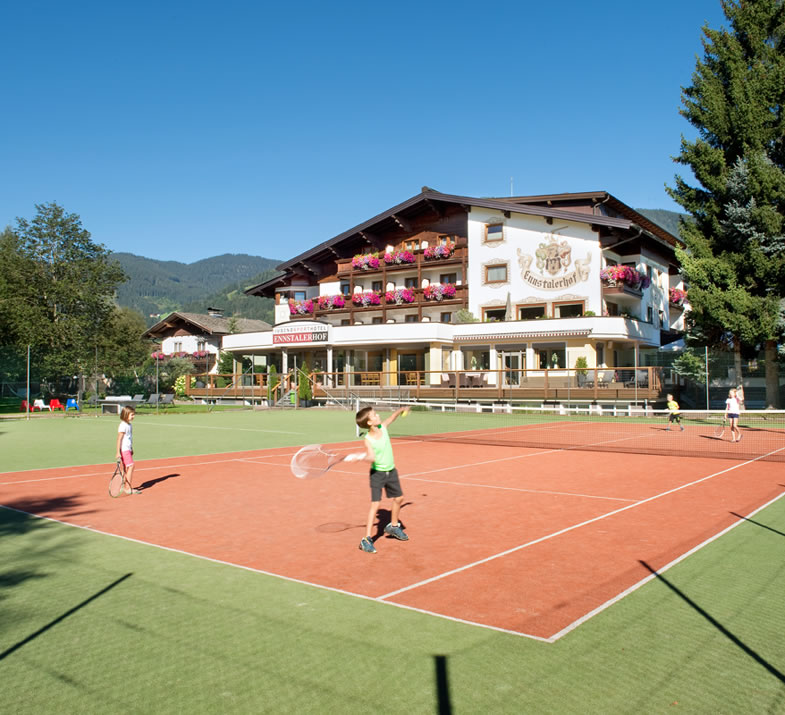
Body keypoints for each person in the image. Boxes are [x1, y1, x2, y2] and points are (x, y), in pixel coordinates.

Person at [346, 405, 410, 554]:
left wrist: (400, 410)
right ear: (369, 422)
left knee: (399, 498)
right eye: (374, 415)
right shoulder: (368, 439)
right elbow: (372, 457)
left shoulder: (383, 427)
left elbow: (391, 418)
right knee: (375, 505)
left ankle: (393, 526)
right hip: (378, 474)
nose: (378, 415)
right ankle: (366, 539)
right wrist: (360, 456)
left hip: (391, 471)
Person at [115, 406, 140, 494]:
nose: (133, 416)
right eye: (132, 415)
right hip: (124, 450)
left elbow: (128, 438)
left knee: (126, 468)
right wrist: (118, 452)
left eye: (134, 415)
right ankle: (127, 488)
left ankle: (123, 485)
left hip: (127, 449)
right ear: (126, 415)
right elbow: (119, 439)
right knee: (131, 466)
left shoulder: (129, 425)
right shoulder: (123, 425)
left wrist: (131, 448)